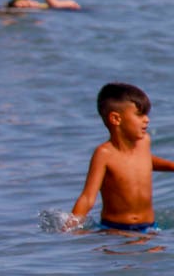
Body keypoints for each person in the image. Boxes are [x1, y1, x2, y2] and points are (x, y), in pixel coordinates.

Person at [69, 82, 174, 233]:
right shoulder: (104, 154)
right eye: (140, 114)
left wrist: (171, 166)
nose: (147, 120)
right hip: (115, 231)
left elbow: (144, 161)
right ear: (116, 119)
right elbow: (87, 197)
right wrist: (71, 229)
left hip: (150, 228)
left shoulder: (144, 142)